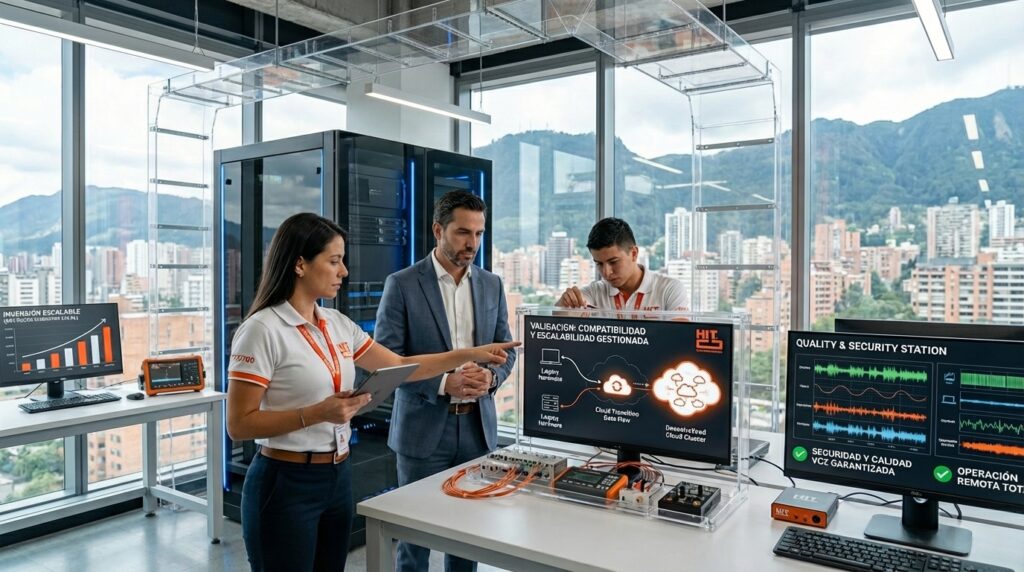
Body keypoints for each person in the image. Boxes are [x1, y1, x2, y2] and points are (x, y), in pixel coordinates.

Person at [226, 212, 517, 572]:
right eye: (334, 261)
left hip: (336, 476)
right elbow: (239, 425)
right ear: (300, 264)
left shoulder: (336, 323)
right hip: (284, 481)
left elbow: (399, 364)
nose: (343, 272)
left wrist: (471, 354)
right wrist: (317, 413)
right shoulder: (261, 330)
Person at [375, 191, 515, 572]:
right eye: (462, 232)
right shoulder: (402, 284)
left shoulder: (492, 284)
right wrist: (443, 384)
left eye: (479, 233)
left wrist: (491, 377)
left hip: (477, 429)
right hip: (422, 430)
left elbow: (507, 350)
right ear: (438, 230)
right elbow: (388, 362)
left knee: (467, 537)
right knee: (414, 540)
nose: (472, 243)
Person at [557, 217, 688, 312]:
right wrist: (564, 303)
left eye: (613, 262)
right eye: (599, 264)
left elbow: (679, 339)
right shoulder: (595, 291)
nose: (606, 272)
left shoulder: (670, 289)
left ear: (634, 253)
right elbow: (557, 318)